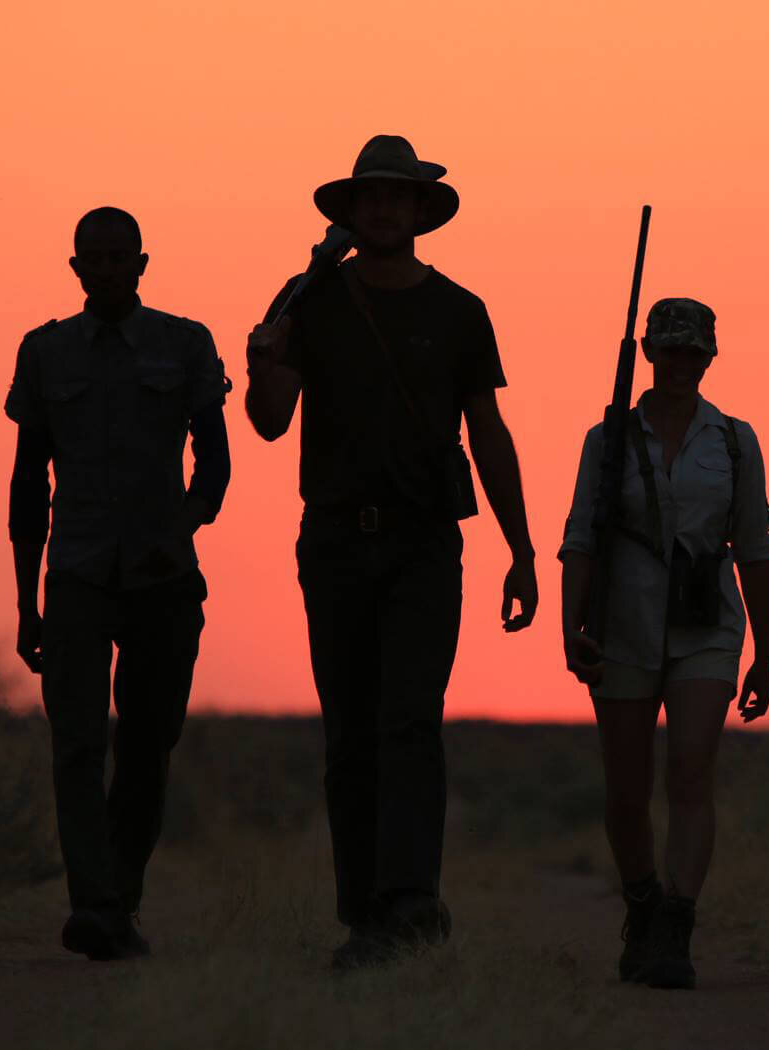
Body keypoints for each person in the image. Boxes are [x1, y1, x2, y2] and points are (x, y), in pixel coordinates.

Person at [244, 135, 538, 969]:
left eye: (396, 196)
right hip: (334, 540)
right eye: (369, 195)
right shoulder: (309, 301)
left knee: (409, 723)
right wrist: (261, 358)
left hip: (423, 545)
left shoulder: (459, 311)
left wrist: (521, 550)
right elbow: (269, 420)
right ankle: (364, 912)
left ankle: (410, 902)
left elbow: (488, 432)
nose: (381, 208)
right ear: (351, 209)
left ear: (418, 212)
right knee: (351, 733)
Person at [5, 206, 231, 960]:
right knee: (74, 744)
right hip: (74, 574)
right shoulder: (44, 353)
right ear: (74, 267)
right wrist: (23, 598)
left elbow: (216, 462)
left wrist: (185, 524)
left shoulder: (185, 343)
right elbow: (27, 480)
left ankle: (118, 895)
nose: (104, 270)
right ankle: (94, 904)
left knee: (146, 743)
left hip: (161, 578)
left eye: (117, 258)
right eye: (90, 259)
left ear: (141, 263)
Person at [559, 297, 769, 989]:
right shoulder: (608, 439)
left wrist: (766, 654)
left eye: (694, 350)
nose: (681, 361)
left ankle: (678, 922)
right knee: (626, 790)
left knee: (689, 770)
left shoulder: (735, 441)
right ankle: (643, 903)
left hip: (706, 628)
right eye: (669, 348)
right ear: (649, 353)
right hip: (622, 625)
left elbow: (755, 548)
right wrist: (572, 628)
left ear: (710, 356)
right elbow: (579, 539)